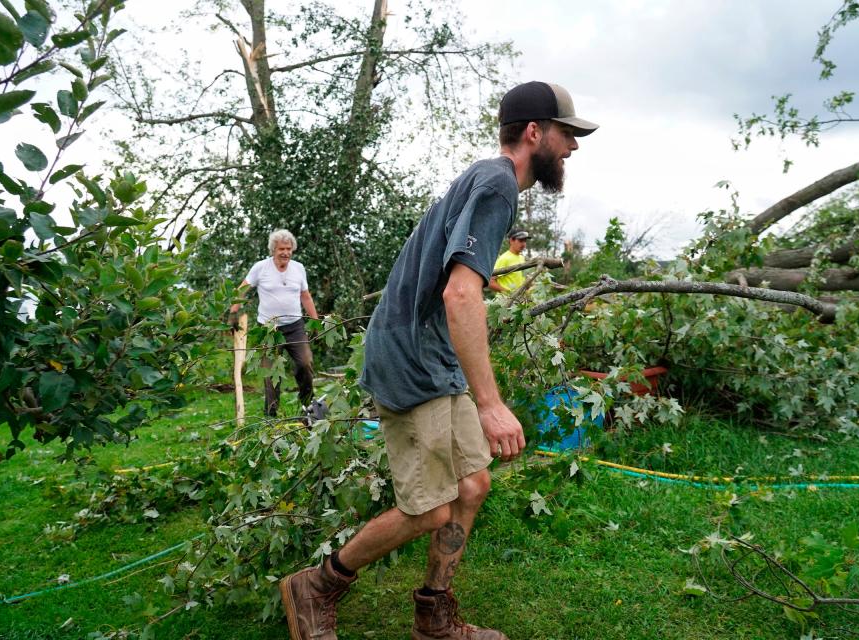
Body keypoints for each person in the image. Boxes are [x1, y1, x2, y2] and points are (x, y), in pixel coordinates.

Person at [279, 81, 598, 640]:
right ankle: (315, 586)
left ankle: (434, 616)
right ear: (534, 132)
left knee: (472, 487)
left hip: (434, 356)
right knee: (429, 508)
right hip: (411, 358)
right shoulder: (497, 184)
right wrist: (492, 404)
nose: (572, 147)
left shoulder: (490, 181)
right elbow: (460, 294)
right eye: (566, 134)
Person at [229, 229, 319, 417]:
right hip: (268, 330)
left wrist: (315, 321)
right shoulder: (260, 268)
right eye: (281, 249)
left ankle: (308, 407)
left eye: (289, 248)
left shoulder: (298, 268)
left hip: (295, 327)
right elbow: (241, 291)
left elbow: (306, 296)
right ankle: (271, 414)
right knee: (270, 374)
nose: (285, 252)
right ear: (273, 250)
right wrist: (233, 315)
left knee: (305, 363)